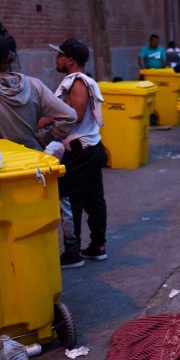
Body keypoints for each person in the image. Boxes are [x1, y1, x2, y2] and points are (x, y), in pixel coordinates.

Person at [0, 32, 76, 151]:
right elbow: (70, 116)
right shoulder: (34, 84)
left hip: (4, 166)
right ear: (8, 57)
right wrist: (46, 139)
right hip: (35, 159)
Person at [48, 38, 108, 269]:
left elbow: (75, 115)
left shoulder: (77, 83)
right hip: (91, 147)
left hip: (80, 150)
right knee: (94, 199)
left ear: (70, 60)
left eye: (59, 55)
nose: (57, 59)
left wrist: (48, 123)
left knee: (68, 199)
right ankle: (97, 246)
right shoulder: (85, 81)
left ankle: (73, 252)